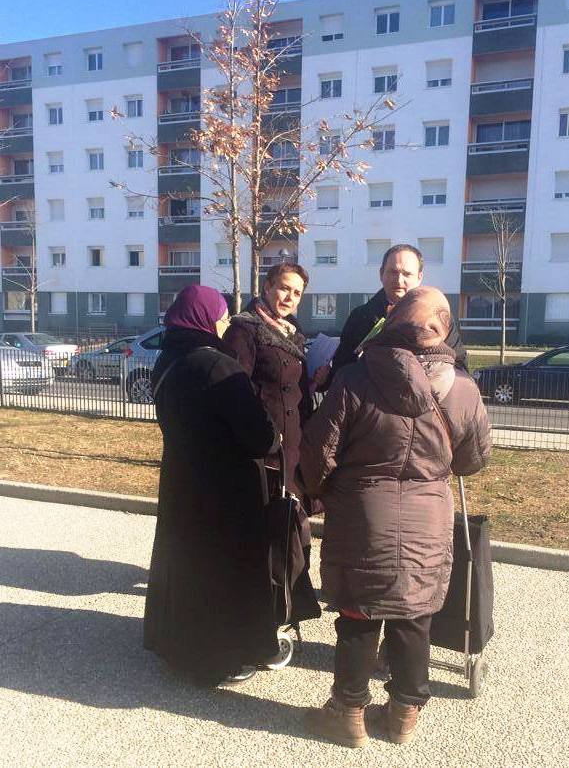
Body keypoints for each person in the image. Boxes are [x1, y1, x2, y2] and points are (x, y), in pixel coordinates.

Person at [298, 287, 491, 747]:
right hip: (429, 516)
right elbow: (473, 460)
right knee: (414, 614)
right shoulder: (463, 389)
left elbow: (318, 453)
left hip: (363, 514)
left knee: (358, 614)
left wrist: (323, 490)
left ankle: (347, 714)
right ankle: (404, 714)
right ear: (444, 331)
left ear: (393, 322)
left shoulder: (354, 378)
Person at [144, 284, 281, 686]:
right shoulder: (219, 367)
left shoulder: (167, 360)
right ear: (204, 318)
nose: (224, 324)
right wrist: (276, 435)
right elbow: (259, 437)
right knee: (222, 571)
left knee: (184, 563)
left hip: (181, 479)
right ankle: (218, 657)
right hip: (224, 488)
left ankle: (176, 646)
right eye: (221, 316)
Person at [224, 262, 329, 501]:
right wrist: (267, 435)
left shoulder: (293, 331)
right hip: (265, 447)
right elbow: (236, 392)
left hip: (294, 443)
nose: (290, 298)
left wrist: (317, 380)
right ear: (267, 287)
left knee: (289, 515)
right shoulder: (244, 329)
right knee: (268, 515)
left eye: (297, 293)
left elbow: (292, 384)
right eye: (284, 288)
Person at [327, 244, 468, 385]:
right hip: (369, 396)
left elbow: (460, 367)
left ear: (419, 277)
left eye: (407, 274)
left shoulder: (439, 318)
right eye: (393, 272)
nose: (399, 280)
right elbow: (341, 368)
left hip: (424, 396)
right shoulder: (359, 317)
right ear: (381, 274)